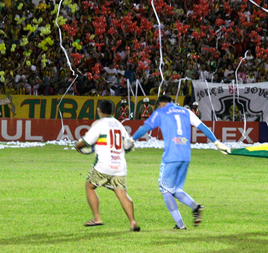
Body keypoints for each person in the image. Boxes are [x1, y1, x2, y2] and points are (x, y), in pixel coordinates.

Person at [129, 95, 230, 229]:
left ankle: (180, 225)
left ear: (161, 104)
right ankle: (195, 207)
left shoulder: (161, 111)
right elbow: (203, 127)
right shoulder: (186, 111)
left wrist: (132, 140)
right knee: (175, 189)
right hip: (185, 156)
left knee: (165, 189)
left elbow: (145, 128)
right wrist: (217, 143)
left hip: (171, 155)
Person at [74, 99, 140, 232]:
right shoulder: (119, 124)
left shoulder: (99, 124)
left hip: (103, 165)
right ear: (113, 111)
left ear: (99, 110)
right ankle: (133, 222)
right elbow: (128, 146)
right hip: (120, 166)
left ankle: (97, 218)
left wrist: (77, 145)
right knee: (122, 193)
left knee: (90, 187)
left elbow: (86, 142)